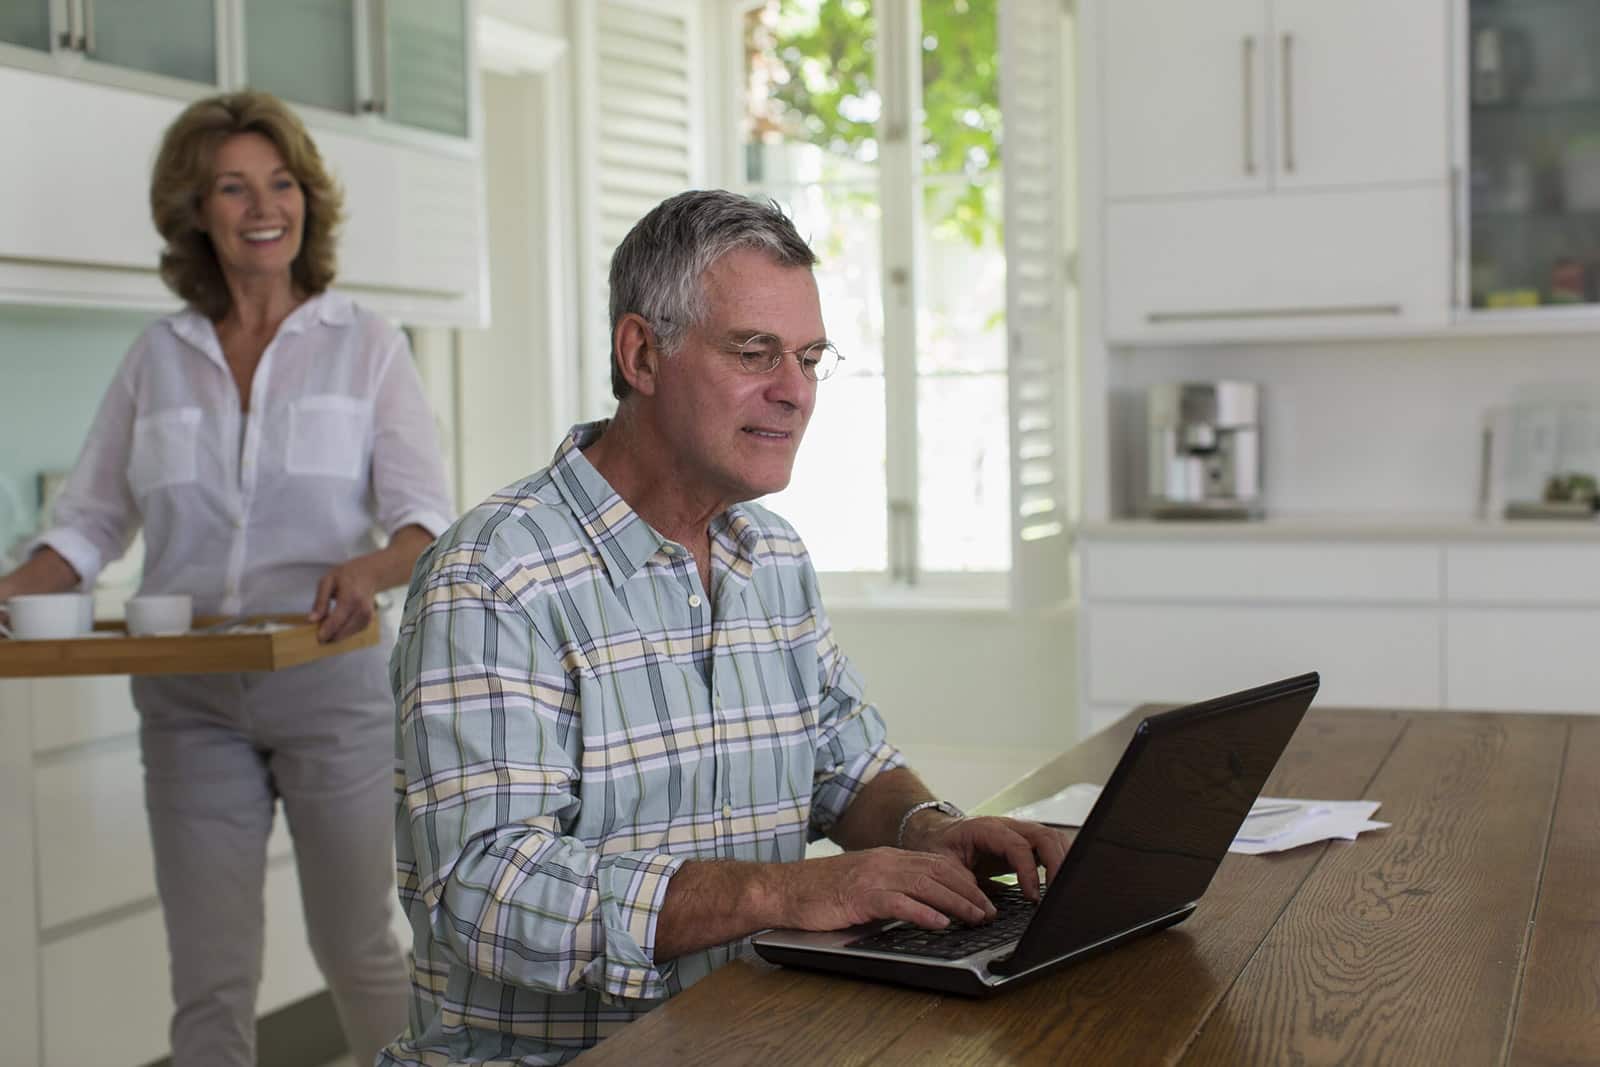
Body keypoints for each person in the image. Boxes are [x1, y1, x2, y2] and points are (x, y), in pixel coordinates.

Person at [382, 189, 1067, 1065]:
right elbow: (485, 893)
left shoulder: (772, 556)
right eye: (755, 352)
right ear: (642, 353)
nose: (795, 393)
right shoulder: (493, 575)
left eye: (811, 358)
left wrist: (928, 828)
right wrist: (783, 891)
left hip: (755, 1037)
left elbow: (847, 768)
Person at [0, 91, 453, 1066]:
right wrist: (10, 592)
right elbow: (83, 525)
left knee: (359, 946)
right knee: (207, 978)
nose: (262, 204)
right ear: (195, 211)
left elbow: (428, 526)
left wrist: (365, 567)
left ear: (306, 201)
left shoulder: (366, 345)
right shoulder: (155, 359)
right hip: (190, 695)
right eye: (232, 186)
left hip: (329, 683)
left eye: (280, 181)